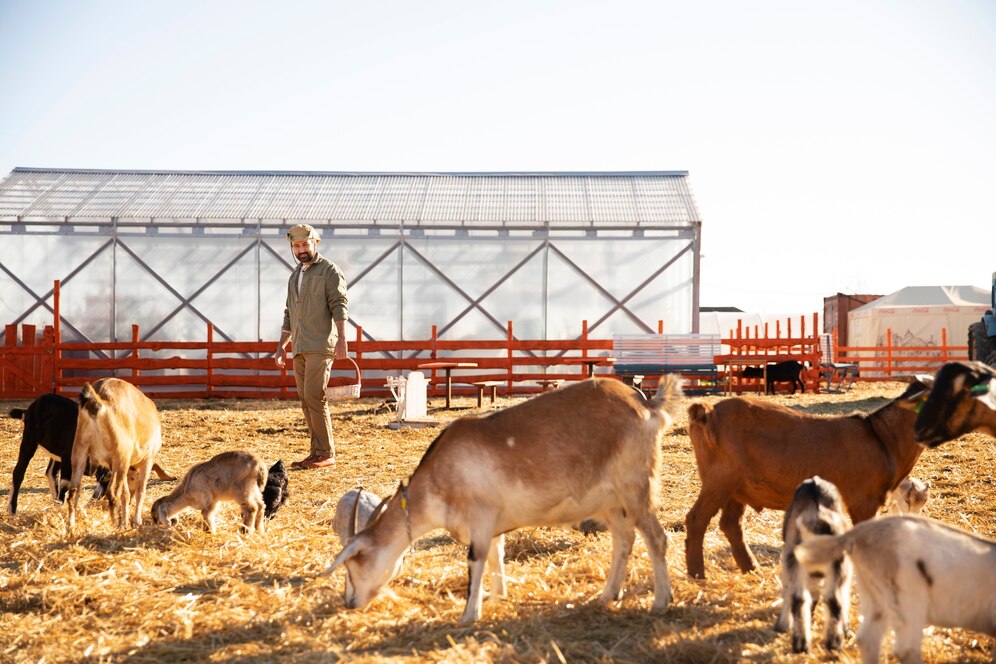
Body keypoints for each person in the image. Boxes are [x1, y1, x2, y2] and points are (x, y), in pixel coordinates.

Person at [273, 224, 349, 470]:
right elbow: (289, 313)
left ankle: (326, 452)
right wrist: (282, 346)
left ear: (315, 243)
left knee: (316, 397)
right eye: (296, 246)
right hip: (300, 346)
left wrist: (342, 340)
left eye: (305, 244)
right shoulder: (295, 276)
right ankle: (315, 452)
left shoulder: (329, 271)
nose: (301, 250)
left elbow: (339, 305)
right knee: (306, 400)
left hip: (320, 345)